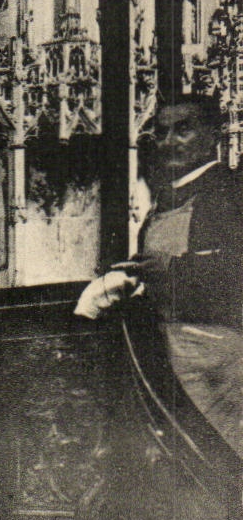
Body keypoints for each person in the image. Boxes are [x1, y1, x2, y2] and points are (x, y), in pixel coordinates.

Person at [77, 94, 243, 452]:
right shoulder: (165, 200)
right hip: (168, 351)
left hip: (214, 362)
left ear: (214, 134)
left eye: (183, 130)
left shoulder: (230, 191)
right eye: (162, 132)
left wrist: (170, 269)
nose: (169, 142)